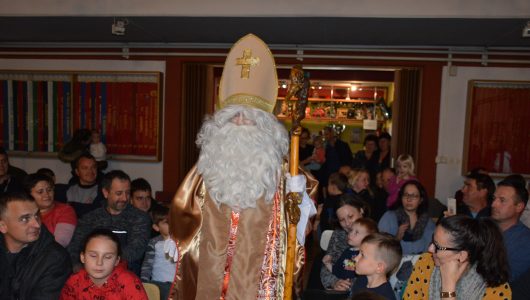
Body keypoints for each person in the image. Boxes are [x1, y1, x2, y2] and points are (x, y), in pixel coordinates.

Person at [167, 35, 317, 300]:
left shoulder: (280, 169)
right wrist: (177, 237)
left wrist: (299, 193)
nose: (238, 122)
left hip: (261, 264)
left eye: (247, 118)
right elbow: (185, 203)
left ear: (263, 126)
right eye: (233, 116)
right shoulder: (211, 162)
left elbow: (302, 211)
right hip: (213, 258)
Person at [403, 215, 511, 299]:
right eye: (432, 241)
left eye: (437, 246)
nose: (430, 249)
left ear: (461, 255)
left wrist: (448, 288)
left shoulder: (497, 290)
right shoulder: (426, 262)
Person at [67, 170, 151, 276]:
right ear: (106, 193)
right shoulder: (90, 218)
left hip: (125, 276)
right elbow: (75, 248)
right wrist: (78, 268)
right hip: (89, 274)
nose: (124, 198)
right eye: (119, 193)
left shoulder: (140, 218)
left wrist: (102, 264)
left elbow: (135, 252)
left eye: (127, 193)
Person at [0, 191, 72, 299]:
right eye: (25, 219)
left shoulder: (56, 258)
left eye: (37, 215)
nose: (37, 224)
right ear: (3, 226)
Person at [60, 228, 148, 299]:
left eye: (108, 257)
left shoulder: (129, 283)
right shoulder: (74, 282)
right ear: (83, 257)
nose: (99, 263)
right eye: (93, 256)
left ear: (117, 260)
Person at [321, 195, 369, 291]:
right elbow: (326, 267)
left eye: (350, 216)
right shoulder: (339, 235)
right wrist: (334, 282)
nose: (347, 223)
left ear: (361, 211)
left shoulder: (372, 235)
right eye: (342, 220)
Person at [378, 180, 435, 254]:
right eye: (406, 195)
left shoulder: (428, 222)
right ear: (401, 197)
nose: (409, 199)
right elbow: (379, 247)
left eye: (414, 196)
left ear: (421, 200)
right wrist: (396, 239)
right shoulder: (389, 217)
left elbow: (432, 249)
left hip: (422, 263)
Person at [491, 178, 530, 282]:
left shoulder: (525, 241)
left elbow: (502, 279)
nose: (493, 204)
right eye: (494, 199)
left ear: (519, 207)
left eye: (502, 200)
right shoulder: (484, 227)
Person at [23, 173, 77, 247]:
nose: (47, 194)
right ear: (28, 195)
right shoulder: (21, 211)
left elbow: (60, 243)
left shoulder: (65, 210)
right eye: (40, 192)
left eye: (49, 190)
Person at [352, 232, 402, 300]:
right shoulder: (362, 280)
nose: (355, 258)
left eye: (362, 255)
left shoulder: (383, 296)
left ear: (379, 267)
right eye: (358, 253)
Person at [141, 205, 175, 300]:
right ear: (156, 227)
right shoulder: (154, 243)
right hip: (159, 283)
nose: (172, 225)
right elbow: (147, 264)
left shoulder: (182, 242)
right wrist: (144, 282)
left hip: (177, 283)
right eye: (167, 223)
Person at [66, 153, 104, 218]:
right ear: (77, 172)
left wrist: (72, 205)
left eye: (93, 167)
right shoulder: (68, 189)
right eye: (85, 168)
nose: (90, 171)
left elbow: (96, 212)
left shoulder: (104, 191)